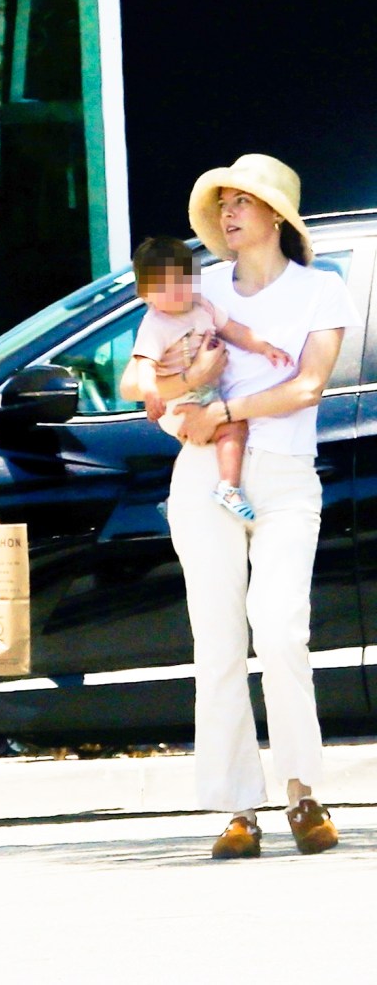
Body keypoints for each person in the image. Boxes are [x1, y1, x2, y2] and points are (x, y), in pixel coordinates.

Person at [162, 154, 360, 859]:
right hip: (203, 476)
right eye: (222, 203)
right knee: (216, 643)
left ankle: (303, 790)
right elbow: (161, 382)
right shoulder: (199, 289)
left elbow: (308, 387)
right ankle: (237, 808)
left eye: (243, 201)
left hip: (282, 476)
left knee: (280, 630)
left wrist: (226, 408)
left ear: (277, 214)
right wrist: (183, 411)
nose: (229, 212)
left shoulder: (322, 290)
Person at [120, 235, 293, 520]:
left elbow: (234, 329)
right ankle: (228, 488)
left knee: (219, 434)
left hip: (205, 395)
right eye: (162, 288)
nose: (175, 293)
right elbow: (144, 365)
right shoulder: (155, 324)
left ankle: (183, 496)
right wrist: (152, 393)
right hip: (178, 401)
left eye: (181, 282)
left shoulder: (203, 306)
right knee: (232, 426)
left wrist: (264, 347)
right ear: (145, 295)